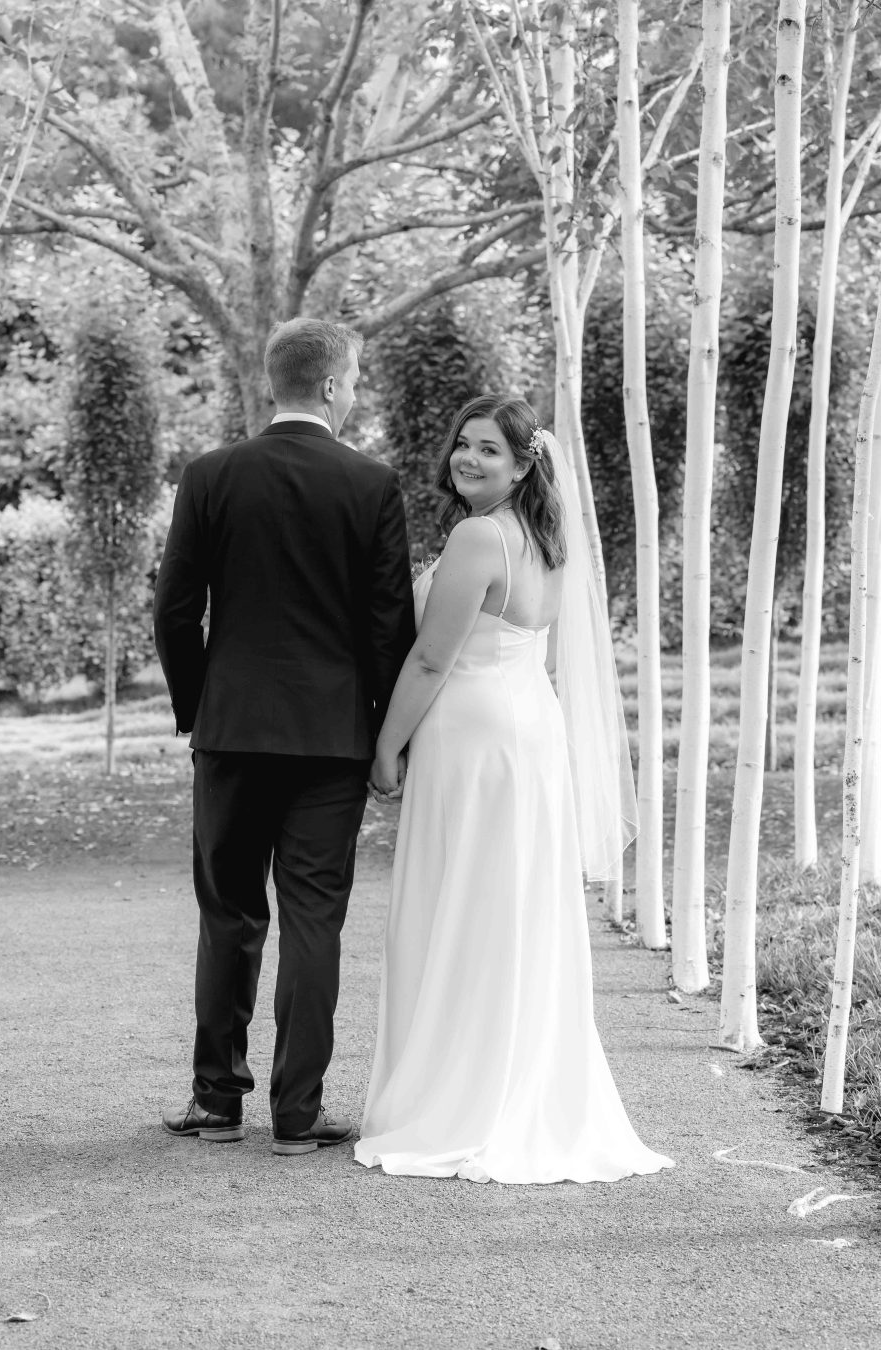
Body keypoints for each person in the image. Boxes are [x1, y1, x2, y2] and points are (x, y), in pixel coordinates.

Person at [355, 395, 674, 1184]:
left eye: (489, 450)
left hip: (471, 737)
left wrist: (384, 750)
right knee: (513, 912)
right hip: (529, 731)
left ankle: (456, 1100)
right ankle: (517, 1085)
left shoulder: (477, 536)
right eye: (463, 444)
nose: (468, 459)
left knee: (459, 909)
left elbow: (431, 661)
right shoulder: (547, 536)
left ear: (526, 462)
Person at [153, 318, 415, 1155]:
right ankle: (297, 1117)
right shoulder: (372, 482)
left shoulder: (211, 474)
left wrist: (202, 707)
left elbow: (172, 611)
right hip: (331, 740)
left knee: (228, 913)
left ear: (275, 383)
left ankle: (217, 1102)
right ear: (335, 385)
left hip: (232, 732)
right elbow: (388, 627)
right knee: (313, 921)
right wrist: (384, 734)